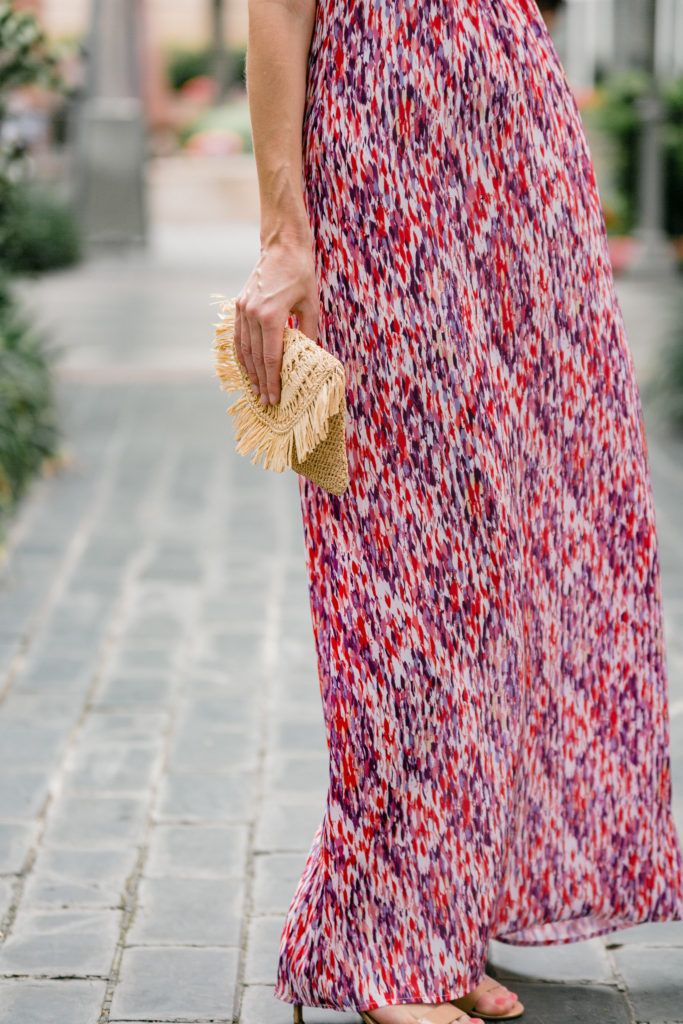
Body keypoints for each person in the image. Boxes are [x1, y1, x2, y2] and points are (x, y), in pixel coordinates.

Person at [232, 1, 683, 1022]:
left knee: (502, 546)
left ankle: (437, 913)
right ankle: (387, 938)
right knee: (403, 552)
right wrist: (281, 232)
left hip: (507, 139)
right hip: (382, 145)